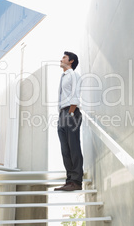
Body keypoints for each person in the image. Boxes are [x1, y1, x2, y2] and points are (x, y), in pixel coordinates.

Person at [54, 51, 83, 191]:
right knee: (65, 150)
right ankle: (69, 180)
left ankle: (76, 181)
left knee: (73, 147)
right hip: (62, 114)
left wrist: (71, 112)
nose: (61, 59)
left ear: (71, 61)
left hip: (71, 113)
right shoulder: (63, 76)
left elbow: (75, 96)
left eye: (64, 57)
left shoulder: (74, 75)